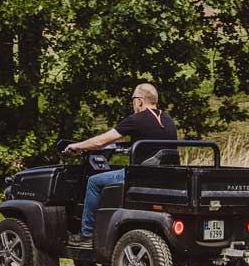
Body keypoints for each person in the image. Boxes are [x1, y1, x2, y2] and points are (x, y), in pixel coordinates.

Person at [64, 83, 177, 244]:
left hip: (140, 176)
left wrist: (77, 146)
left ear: (139, 101)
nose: (133, 104)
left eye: (133, 100)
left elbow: (101, 142)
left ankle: (87, 234)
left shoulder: (136, 120)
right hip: (165, 175)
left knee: (94, 182)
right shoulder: (168, 119)